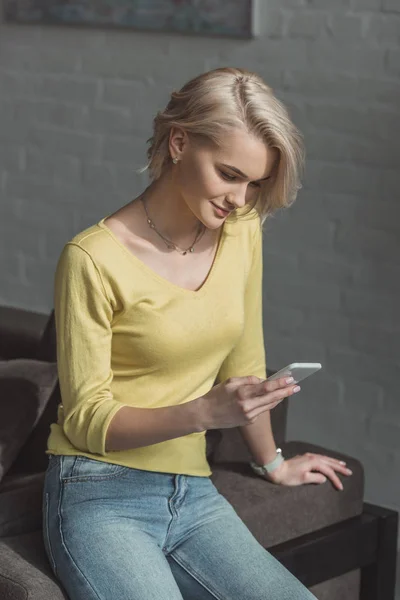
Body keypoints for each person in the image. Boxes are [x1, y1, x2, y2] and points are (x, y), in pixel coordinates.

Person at [43, 67, 352, 600]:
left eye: (255, 183)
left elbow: (244, 356)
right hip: (97, 492)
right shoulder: (91, 259)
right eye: (230, 173)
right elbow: (87, 418)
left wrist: (273, 462)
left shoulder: (242, 231)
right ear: (180, 142)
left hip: (191, 490)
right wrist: (204, 414)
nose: (241, 198)